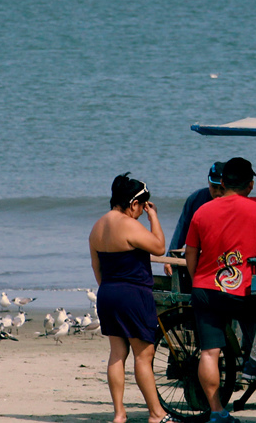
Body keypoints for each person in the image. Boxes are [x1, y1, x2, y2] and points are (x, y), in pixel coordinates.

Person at [185, 157, 256, 423]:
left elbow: (191, 251)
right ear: (250, 184)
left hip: (205, 290)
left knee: (209, 353)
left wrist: (197, 279)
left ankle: (216, 411)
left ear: (222, 182)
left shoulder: (202, 211)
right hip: (240, 292)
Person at [88, 173, 173, 423]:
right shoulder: (128, 223)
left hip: (107, 293)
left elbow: (97, 268)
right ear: (134, 204)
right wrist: (154, 217)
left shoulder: (97, 226)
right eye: (141, 206)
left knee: (117, 354)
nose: (140, 212)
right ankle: (157, 414)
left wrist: (110, 291)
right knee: (143, 356)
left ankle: (119, 414)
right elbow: (159, 247)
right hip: (133, 294)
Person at [163, 161, 225, 275]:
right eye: (214, 187)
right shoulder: (196, 199)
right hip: (198, 255)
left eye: (222, 188)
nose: (217, 192)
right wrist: (169, 258)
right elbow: (182, 229)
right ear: (208, 181)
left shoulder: (236, 204)